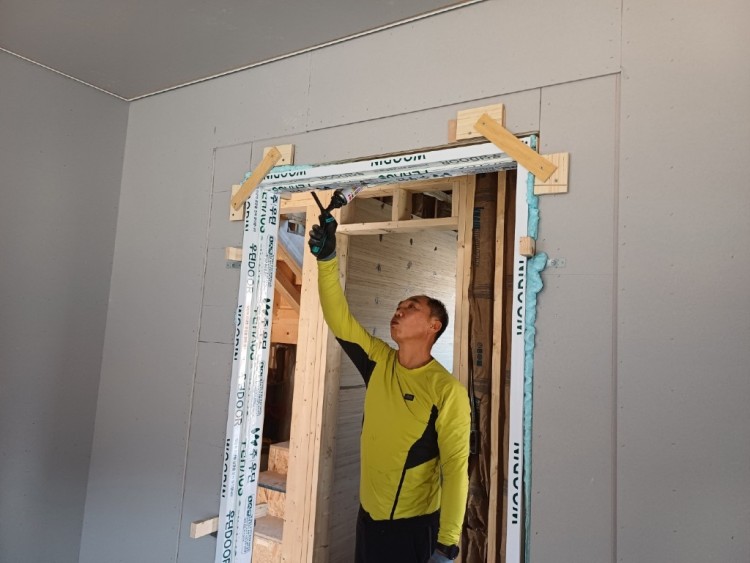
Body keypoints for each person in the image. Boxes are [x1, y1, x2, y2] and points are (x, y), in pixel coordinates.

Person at [308, 205, 471, 563]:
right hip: (368, 520)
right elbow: (339, 319)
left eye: (411, 306)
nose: (399, 310)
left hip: (413, 529)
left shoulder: (447, 391)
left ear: (433, 326)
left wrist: (447, 543)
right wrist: (327, 260)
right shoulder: (380, 361)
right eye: (398, 305)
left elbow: (455, 467)